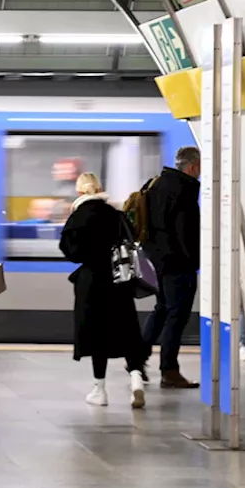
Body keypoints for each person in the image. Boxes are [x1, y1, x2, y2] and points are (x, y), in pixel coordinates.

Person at [60, 173, 148, 408]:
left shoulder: (77, 217)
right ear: (100, 189)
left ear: (79, 193)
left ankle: (100, 390)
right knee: (128, 328)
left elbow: (70, 252)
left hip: (91, 283)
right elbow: (133, 241)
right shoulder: (116, 215)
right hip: (119, 280)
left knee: (98, 334)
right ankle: (137, 377)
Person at [141, 145, 202, 388]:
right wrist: (195, 261)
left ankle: (137, 358)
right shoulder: (184, 190)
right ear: (193, 166)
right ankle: (169, 370)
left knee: (163, 309)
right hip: (179, 264)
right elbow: (185, 232)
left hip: (159, 261)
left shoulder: (156, 184)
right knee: (176, 316)